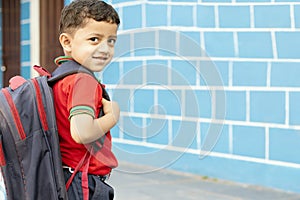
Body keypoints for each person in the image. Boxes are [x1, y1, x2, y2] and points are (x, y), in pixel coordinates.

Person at [51, 0, 120, 199]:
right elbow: (82, 132)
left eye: (111, 40)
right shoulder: (83, 81)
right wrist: (112, 117)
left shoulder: (60, 78)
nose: (105, 49)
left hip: (65, 177)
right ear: (67, 42)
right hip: (82, 184)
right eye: (94, 39)